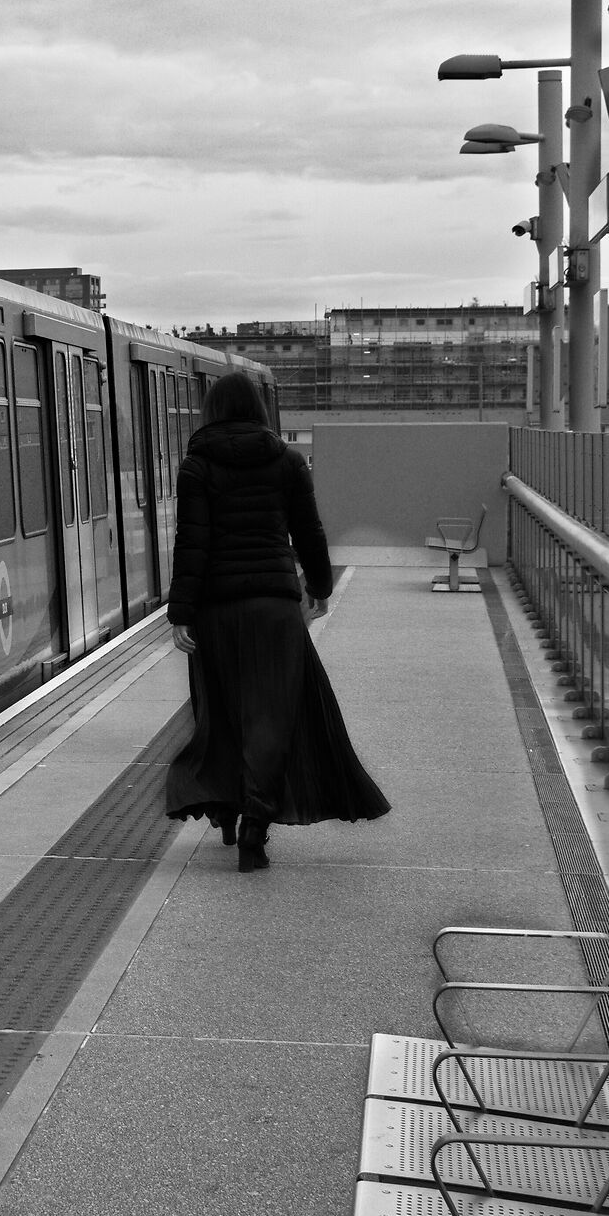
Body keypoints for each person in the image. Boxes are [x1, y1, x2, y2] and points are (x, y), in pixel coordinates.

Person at [164, 371, 389, 871]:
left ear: (212, 412)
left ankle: (224, 810)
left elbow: (191, 546)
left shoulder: (196, 466)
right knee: (272, 716)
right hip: (275, 610)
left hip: (216, 612)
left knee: (221, 711)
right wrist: (320, 588)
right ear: (260, 413)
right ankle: (254, 831)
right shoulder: (287, 462)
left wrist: (181, 613)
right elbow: (309, 530)